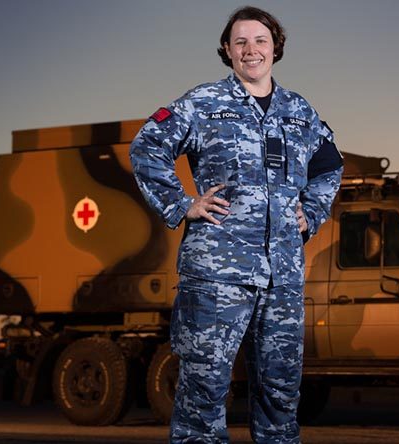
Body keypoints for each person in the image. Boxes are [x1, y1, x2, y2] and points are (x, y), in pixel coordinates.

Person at [129, 6, 343, 443]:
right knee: (203, 393)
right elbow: (147, 145)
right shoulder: (202, 103)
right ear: (227, 51)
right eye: (240, 42)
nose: (251, 50)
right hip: (215, 275)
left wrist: (313, 211)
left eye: (260, 40)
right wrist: (180, 204)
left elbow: (329, 166)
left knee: (281, 395)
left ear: (275, 48)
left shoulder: (298, 111)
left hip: (281, 277)